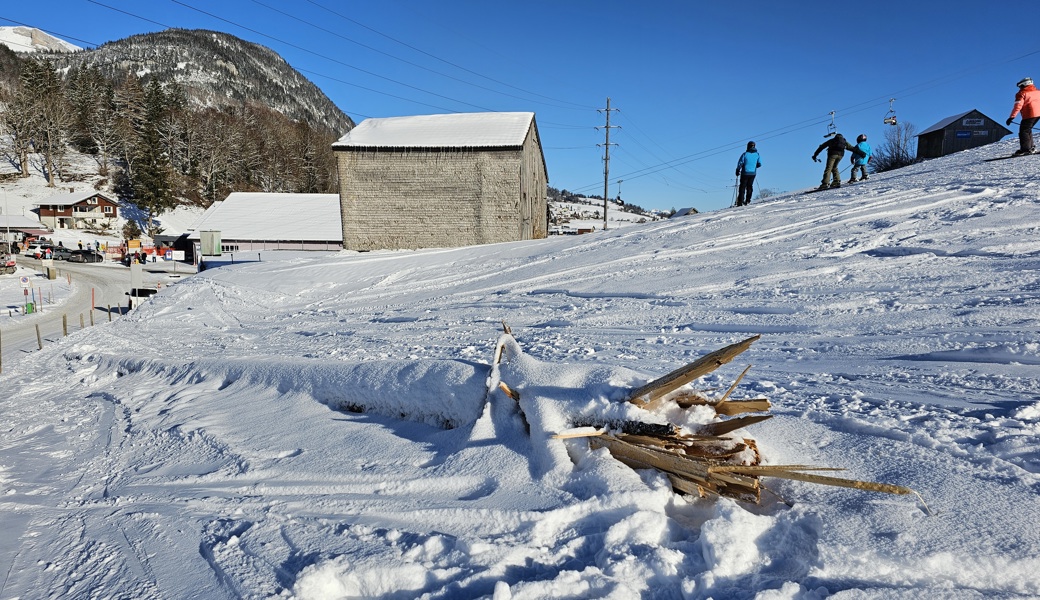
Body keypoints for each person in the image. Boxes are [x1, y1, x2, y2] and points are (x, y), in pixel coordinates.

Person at [1006, 77, 1039, 156]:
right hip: (1038, 114)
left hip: (1029, 114)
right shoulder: (1038, 92)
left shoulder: (1021, 93)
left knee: (1023, 131)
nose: (1020, 88)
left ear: (1025, 85)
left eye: (1021, 86)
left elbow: (1018, 106)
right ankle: (1031, 147)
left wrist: (1011, 117)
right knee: (1027, 129)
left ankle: (1026, 149)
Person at [734, 141, 761, 206]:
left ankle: (740, 202)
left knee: (742, 187)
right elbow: (759, 164)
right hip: (753, 173)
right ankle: (748, 200)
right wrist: (754, 166)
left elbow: (740, 163)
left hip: (745, 173)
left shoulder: (745, 154)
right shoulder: (757, 154)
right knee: (749, 186)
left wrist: (737, 170)